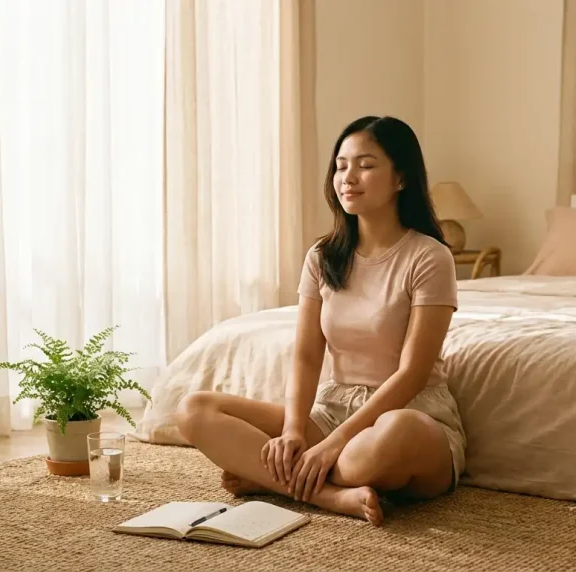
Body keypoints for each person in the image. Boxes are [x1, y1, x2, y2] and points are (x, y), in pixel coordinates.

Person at [175, 115, 466, 526]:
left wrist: (332, 445)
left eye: (365, 165)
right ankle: (331, 497)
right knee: (194, 409)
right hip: (331, 409)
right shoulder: (322, 257)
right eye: (341, 165)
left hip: (408, 415)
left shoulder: (430, 257)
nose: (348, 177)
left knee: (390, 434)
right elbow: (307, 356)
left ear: (401, 178)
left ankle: (275, 480)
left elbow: (413, 373)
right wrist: (294, 430)